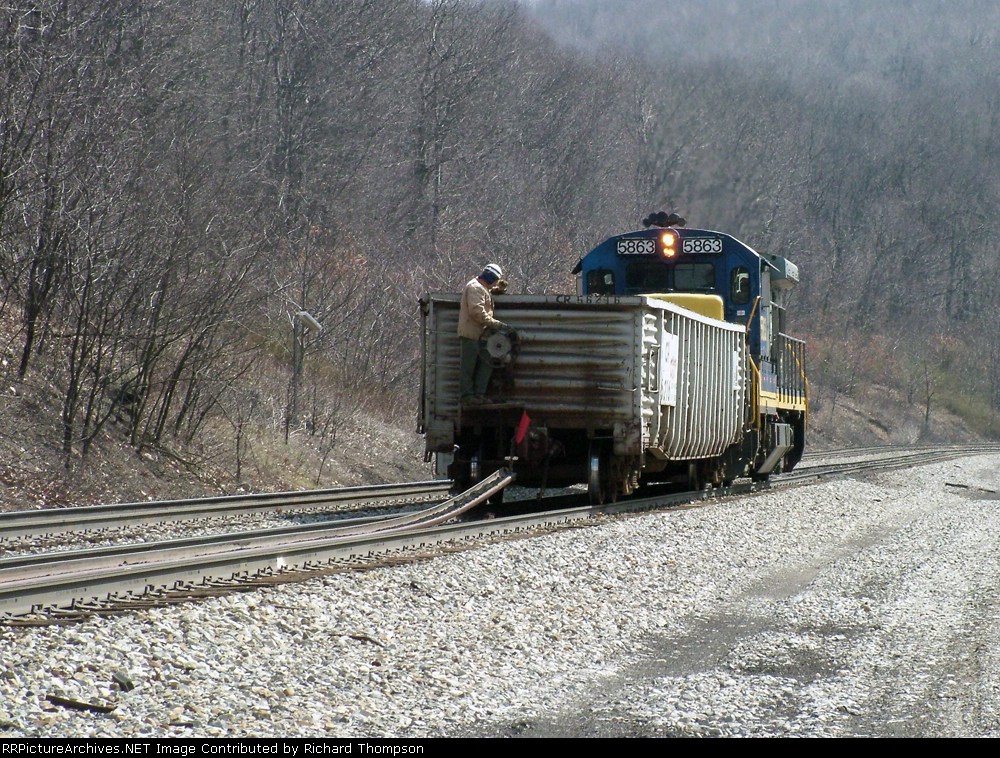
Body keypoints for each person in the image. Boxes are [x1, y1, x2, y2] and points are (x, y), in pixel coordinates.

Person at [458, 263, 506, 404]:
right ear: (491, 278)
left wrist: (498, 290)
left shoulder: (481, 287)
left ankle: (479, 394)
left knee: (486, 361)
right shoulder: (475, 288)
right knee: (468, 366)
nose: (495, 283)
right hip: (471, 333)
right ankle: (467, 396)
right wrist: (494, 323)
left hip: (480, 334)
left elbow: (485, 293)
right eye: (495, 280)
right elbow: (476, 312)